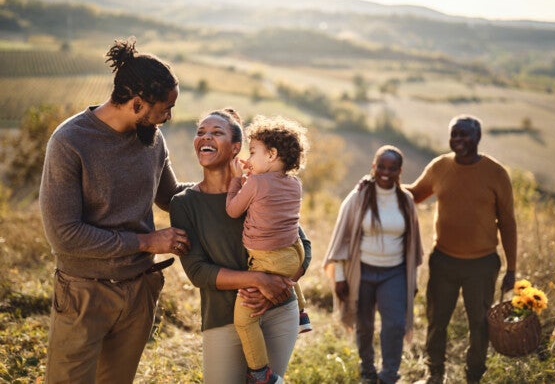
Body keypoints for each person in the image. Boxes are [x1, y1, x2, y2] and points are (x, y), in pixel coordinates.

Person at [39, 38, 191, 383]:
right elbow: (65, 236)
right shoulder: (70, 142)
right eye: (165, 108)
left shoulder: (151, 137)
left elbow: (171, 197)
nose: (169, 117)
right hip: (83, 294)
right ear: (137, 103)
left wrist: (224, 186)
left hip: (138, 291)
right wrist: (146, 243)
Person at [170, 109, 312, 384]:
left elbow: (300, 244)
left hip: (280, 308)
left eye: (216, 132)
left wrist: (277, 287)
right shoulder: (184, 203)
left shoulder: (262, 188)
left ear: (237, 148)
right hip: (222, 316)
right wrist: (259, 281)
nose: (206, 137)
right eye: (201, 132)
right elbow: (198, 271)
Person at [407, 115, 517, 384]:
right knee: (436, 321)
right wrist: (380, 183)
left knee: (479, 325)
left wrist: (512, 268)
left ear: (477, 137)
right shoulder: (440, 166)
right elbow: (414, 194)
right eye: (454, 134)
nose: (458, 140)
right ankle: (435, 373)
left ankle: (474, 376)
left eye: (464, 134)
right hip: (443, 260)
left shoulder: (496, 173)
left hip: (481, 264)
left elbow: (508, 223)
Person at [324, 145, 423, 384]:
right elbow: (341, 238)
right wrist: (339, 276)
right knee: (364, 325)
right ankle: (367, 372)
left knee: (395, 325)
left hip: (395, 273)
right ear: (373, 167)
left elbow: (413, 246)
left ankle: (388, 376)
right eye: (381, 166)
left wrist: (414, 280)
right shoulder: (358, 197)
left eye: (392, 168)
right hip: (362, 271)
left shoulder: (406, 200)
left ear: (400, 171)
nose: (385, 172)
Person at [225, 115, 311, 383]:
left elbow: (233, 210)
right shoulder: (295, 184)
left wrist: (237, 181)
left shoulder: (256, 183)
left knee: (244, 320)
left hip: (268, 260)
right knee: (285, 270)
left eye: (253, 152)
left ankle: (261, 373)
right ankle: (301, 312)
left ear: (272, 154)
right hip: (293, 254)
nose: (249, 157)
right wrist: (254, 176)